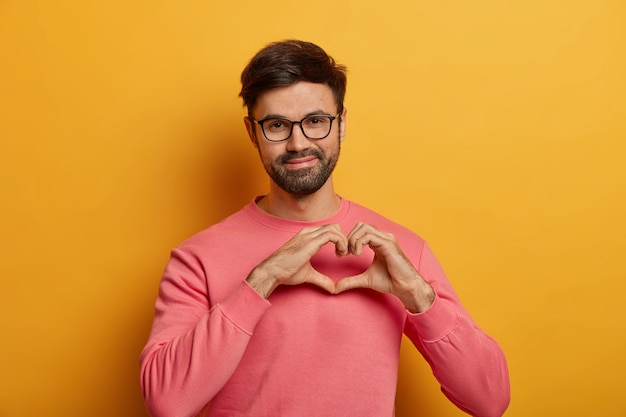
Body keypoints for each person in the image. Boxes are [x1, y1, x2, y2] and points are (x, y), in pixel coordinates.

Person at [140, 39, 510, 417]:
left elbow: (490, 399)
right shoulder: (198, 258)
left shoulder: (400, 251)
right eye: (277, 125)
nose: (298, 143)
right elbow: (167, 403)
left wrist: (418, 295)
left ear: (341, 123)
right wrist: (261, 281)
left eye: (315, 121)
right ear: (252, 133)